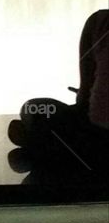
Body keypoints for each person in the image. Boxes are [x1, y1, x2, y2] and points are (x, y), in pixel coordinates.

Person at [8, 9, 109, 173]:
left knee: (33, 107)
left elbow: (84, 96)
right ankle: (53, 145)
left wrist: (83, 101)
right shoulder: (99, 22)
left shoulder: (99, 21)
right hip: (93, 137)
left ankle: (41, 141)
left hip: (95, 134)